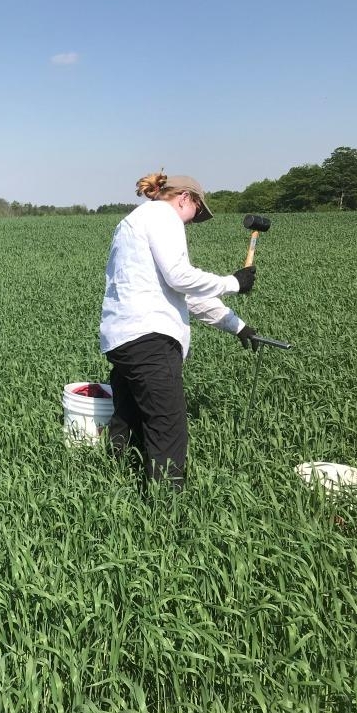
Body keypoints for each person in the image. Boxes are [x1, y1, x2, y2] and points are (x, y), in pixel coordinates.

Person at [100, 171, 258, 491]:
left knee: (128, 419)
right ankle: (167, 508)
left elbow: (185, 294)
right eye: (196, 212)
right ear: (185, 198)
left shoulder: (133, 221)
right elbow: (179, 276)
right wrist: (233, 283)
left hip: (122, 339)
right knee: (167, 428)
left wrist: (238, 326)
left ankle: (111, 485)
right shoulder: (163, 216)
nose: (192, 221)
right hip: (151, 339)